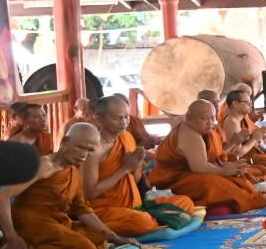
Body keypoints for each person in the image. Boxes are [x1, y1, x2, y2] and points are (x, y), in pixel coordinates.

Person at [0, 123, 139, 249]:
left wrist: (114, 236)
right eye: (81, 147)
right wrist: (12, 237)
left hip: (56, 224)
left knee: (100, 238)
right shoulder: (45, 165)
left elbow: (82, 209)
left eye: (90, 151)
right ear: (64, 142)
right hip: (31, 224)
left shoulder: (73, 170)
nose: (84, 155)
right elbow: (0, 197)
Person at [83, 94, 197, 236]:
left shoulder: (126, 138)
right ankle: (93, 228)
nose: (124, 122)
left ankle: (154, 219)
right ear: (100, 119)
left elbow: (134, 181)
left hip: (136, 206)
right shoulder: (94, 149)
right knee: (143, 222)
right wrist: (125, 169)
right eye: (118, 118)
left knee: (186, 202)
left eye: (127, 117)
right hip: (106, 210)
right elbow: (91, 192)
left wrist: (136, 168)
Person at [149, 100, 266, 213]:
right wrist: (224, 170)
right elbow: (199, 167)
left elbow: (216, 156)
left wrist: (228, 164)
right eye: (203, 119)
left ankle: (252, 197)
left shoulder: (209, 131)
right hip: (173, 179)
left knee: (236, 176)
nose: (210, 123)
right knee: (212, 182)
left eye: (212, 118)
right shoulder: (189, 134)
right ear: (189, 118)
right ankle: (249, 200)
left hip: (194, 172)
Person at [220, 89, 266, 175]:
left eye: (251, 102)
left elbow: (252, 134)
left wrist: (259, 135)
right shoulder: (232, 123)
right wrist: (255, 138)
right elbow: (238, 153)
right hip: (245, 159)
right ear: (235, 104)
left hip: (255, 153)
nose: (251, 104)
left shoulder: (243, 117)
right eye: (247, 102)